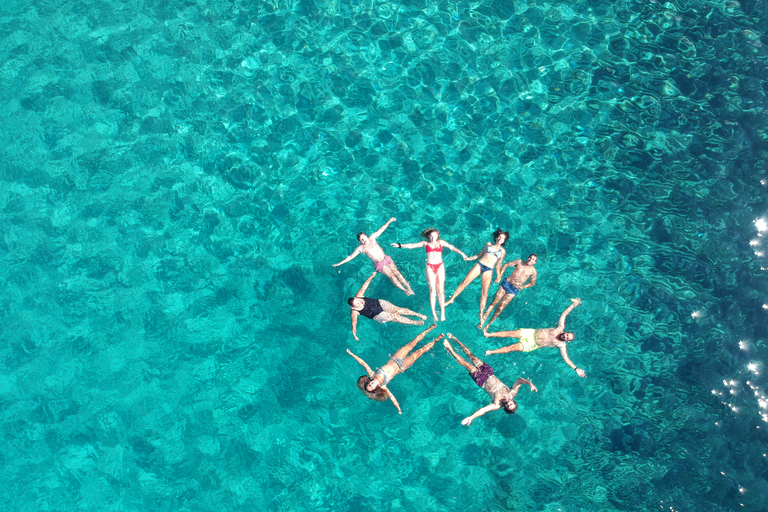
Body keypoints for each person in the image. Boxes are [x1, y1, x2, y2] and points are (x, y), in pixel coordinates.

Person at [442, 333, 537, 426]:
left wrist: (471, 417)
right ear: (513, 401)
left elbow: (483, 410)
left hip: (481, 380)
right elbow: (519, 380)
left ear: (505, 408)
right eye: (511, 403)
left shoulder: (497, 405)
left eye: (508, 406)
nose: (508, 403)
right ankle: (456, 339)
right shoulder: (511, 393)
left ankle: (449, 349)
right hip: (489, 373)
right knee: (471, 356)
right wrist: (529, 384)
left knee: (465, 364)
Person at [346, 324, 441, 414]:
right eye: (371, 387)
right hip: (402, 366)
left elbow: (363, 363)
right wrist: (398, 409)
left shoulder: (372, 373)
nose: (371, 384)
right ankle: (436, 339)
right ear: (375, 389)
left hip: (395, 358)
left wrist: (352, 354)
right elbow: (392, 398)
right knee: (420, 351)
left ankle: (430, 328)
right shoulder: (383, 386)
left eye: (369, 384)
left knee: (412, 343)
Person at [483, 298, 586, 377]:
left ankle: (491, 351)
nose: (565, 336)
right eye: (567, 335)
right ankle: (489, 334)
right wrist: (574, 304)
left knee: (511, 348)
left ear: (567, 341)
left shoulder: (561, 345)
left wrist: (576, 369)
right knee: (510, 333)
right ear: (567, 332)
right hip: (530, 333)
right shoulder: (560, 327)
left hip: (532, 345)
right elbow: (564, 314)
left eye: (567, 338)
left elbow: (566, 358)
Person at [392, 228, 471, 322]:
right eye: (430, 236)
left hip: (440, 266)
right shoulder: (425, 243)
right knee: (432, 289)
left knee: (440, 290)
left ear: (438, 235)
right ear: (428, 236)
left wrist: (462, 254)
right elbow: (412, 245)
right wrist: (400, 245)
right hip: (430, 267)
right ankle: (434, 313)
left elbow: (452, 247)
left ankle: (442, 312)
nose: (432, 238)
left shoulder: (441, 242)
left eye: (434, 236)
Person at [333, 217, 414, 295]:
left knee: (397, 273)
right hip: (380, 264)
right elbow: (350, 257)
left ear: (366, 236)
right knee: (392, 276)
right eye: (361, 240)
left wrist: (390, 221)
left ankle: (409, 288)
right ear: (359, 242)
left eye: (363, 238)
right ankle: (404, 290)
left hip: (386, 258)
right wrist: (339, 264)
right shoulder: (360, 248)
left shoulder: (372, 238)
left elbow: (381, 229)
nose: (363, 240)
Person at [445, 228, 509, 326]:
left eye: (502, 238)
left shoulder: (502, 251)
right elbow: (479, 255)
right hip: (479, 265)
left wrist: (499, 275)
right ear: (496, 237)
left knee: (484, 293)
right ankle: (452, 299)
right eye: (499, 237)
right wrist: (470, 258)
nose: (500, 239)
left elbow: (498, 264)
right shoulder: (488, 244)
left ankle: (481, 313)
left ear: (504, 241)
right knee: (464, 282)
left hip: (489, 269)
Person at [348, 272, 427, 340]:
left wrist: (371, 276)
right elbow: (354, 323)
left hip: (379, 303)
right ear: (353, 307)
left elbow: (364, 286)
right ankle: (414, 322)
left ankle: (417, 314)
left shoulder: (359, 295)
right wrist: (354, 334)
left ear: (356, 298)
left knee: (398, 310)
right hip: (377, 315)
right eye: (357, 304)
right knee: (396, 317)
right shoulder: (354, 312)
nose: (360, 303)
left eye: (358, 301)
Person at [479, 254, 538, 331]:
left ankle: (489, 324)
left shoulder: (533, 271)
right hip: (506, 283)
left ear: (535, 262)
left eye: (533, 259)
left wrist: (522, 287)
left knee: (500, 308)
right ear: (528, 257)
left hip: (513, 290)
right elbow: (506, 265)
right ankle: (483, 320)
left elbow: (532, 283)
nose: (530, 260)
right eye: (530, 258)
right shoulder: (519, 262)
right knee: (494, 302)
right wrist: (500, 275)